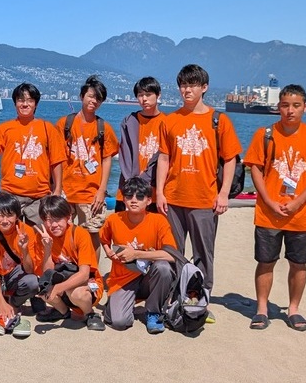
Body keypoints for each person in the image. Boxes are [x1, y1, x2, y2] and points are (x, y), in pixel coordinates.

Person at [244, 84, 306, 332]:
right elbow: (255, 168)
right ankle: (261, 309)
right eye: (285, 105)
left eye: (296, 106)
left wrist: (297, 202)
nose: (290, 111)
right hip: (268, 213)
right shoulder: (265, 135)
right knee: (266, 262)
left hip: (301, 214)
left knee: (298, 263)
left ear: (305, 107)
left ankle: (293, 309)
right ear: (278, 107)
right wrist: (269, 201)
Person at [156, 64, 240, 323]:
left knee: (204, 253)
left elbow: (230, 159)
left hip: (204, 200)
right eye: (183, 85)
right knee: (173, 252)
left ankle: (201, 301)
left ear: (204, 87)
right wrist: (159, 192)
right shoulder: (170, 120)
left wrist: (223, 194)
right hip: (173, 198)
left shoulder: (218, 121)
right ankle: (175, 299)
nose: (187, 90)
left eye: (192, 85)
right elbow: (163, 158)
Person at [100, 178, 177, 333]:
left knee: (163, 268)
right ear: (123, 199)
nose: (134, 200)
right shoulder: (114, 219)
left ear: (148, 201)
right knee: (119, 322)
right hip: (123, 279)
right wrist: (108, 251)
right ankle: (122, 304)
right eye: (129, 196)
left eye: (140, 197)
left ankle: (153, 312)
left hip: (149, 277)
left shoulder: (158, 221)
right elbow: (103, 239)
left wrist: (136, 254)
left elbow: (172, 256)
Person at [0, 82, 66, 225]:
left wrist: (58, 190)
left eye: (29, 100)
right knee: (9, 235)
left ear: (36, 104)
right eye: (21, 100)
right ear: (15, 103)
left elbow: (57, 160)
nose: (25, 104)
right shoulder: (5, 129)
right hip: (10, 194)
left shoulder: (47, 128)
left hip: (39, 196)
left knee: (39, 235)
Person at [56, 75, 119, 254]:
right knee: (62, 234)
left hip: (91, 193)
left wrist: (102, 190)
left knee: (92, 235)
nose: (93, 101)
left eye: (98, 98)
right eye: (90, 96)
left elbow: (107, 159)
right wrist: (57, 188)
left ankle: (93, 270)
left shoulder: (103, 128)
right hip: (66, 191)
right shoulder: (65, 124)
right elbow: (56, 157)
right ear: (81, 96)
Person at [34, 195, 104, 331]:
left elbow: (84, 275)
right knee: (43, 289)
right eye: (48, 220)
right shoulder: (42, 237)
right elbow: (47, 273)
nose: (53, 225)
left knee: (77, 293)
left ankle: (90, 314)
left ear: (68, 217)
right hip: (62, 281)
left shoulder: (80, 234)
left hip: (88, 284)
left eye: (58, 219)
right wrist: (47, 249)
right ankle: (64, 312)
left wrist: (58, 288)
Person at [0, 191, 41, 337]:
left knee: (32, 282)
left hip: (14, 274)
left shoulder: (27, 231)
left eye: (10, 215)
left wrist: (24, 250)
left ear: (17, 216)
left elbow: (30, 270)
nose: (5, 220)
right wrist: (1, 303)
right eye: (0, 215)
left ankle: (13, 304)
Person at [116, 76, 166, 212]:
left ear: (158, 95)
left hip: (154, 191)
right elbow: (125, 154)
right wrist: (133, 183)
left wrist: (144, 179)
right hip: (128, 189)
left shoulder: (167, 122)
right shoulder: (129, 121)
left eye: (148, 95)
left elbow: (164, 156)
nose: (144, 99)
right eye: (140, 95)